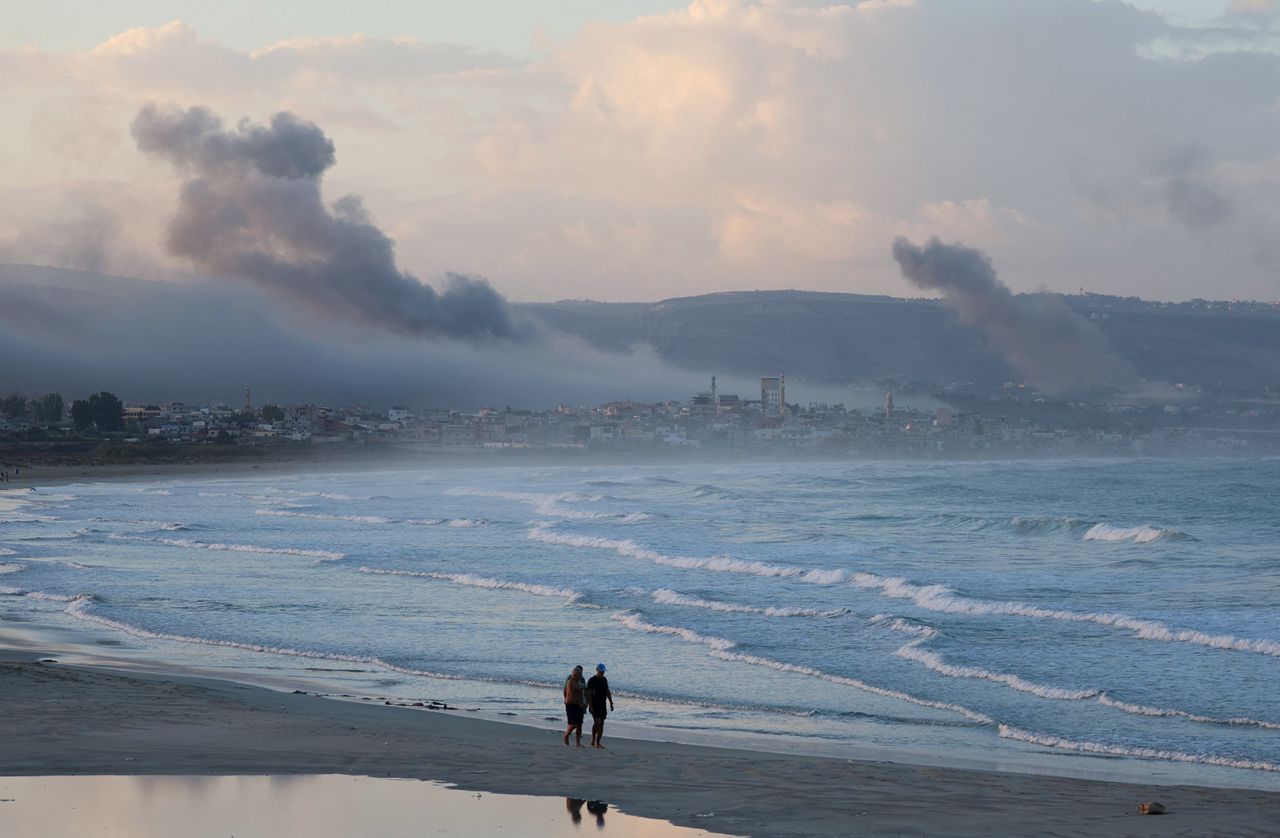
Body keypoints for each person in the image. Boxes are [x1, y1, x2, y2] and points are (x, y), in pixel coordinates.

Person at [586, 663, 614, 748]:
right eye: (601, 671)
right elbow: (589, 694)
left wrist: (611, 702)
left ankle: (598, 743)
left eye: (603, 671)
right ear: (597, 670)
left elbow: (607, 691)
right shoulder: (592, 680)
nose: (602, 673)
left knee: (601, 724)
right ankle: (593, 739)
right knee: (597, 722)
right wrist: (590, 706)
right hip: (595, 704)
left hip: (603, 704)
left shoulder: (604, 680)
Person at [563, 664, 587, 747]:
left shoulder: (579, 680)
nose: (581, 675)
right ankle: (566, 734)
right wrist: (580, 703)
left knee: (580, 724)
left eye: (581, 673)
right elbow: (572, 695)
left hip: (580, 704)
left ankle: (578, 742)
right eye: (579, 674)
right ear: (575, 674)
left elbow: (583, 691)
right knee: (574, 723)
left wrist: (584, 703)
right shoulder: (570, 682)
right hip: (572, 704)